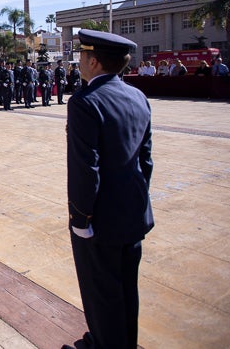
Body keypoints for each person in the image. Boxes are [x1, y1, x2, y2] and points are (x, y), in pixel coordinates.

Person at [66, 29, 154, 349]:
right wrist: (135, 202)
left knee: (102, 295)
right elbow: (146, 162)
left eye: (82, 58)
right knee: (127, 290)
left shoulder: (85, 101)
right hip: (134, 214)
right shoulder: (137, 96)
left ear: (94, 61)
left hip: (101, 220)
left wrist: (80, 218)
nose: (79, 64)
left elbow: (85, 169)